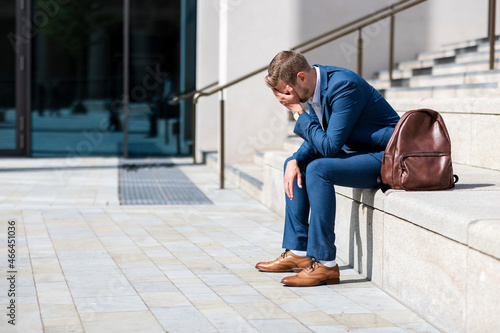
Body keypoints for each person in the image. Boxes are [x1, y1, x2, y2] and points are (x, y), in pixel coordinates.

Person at [255, 50, 400, 287]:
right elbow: (320, 137)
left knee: (318, 169)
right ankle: (299, 252)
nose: (286, 97)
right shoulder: (315, 86)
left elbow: (330, 147)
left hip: (386, 156)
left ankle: (325, 264)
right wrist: (294, 158)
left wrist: (297, 111)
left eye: (287, 90)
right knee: (295, 164)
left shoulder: (344, 86)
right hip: (358, 151)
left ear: (301, 77)